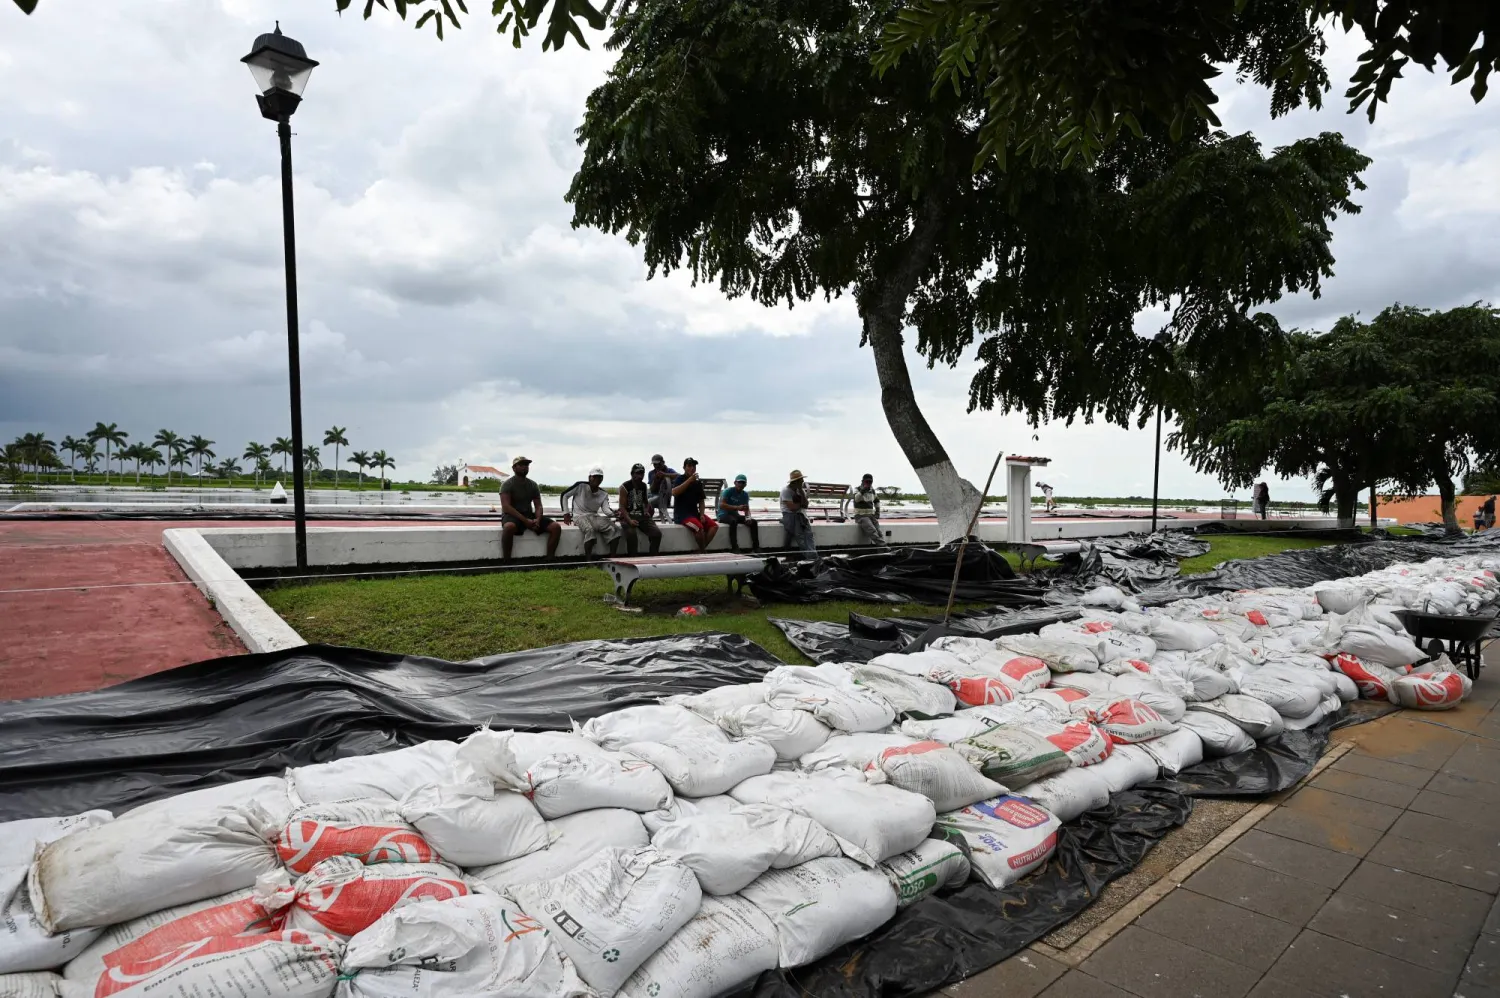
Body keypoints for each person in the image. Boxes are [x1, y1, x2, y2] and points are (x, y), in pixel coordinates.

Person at [500, 455, 561, 559]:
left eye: (526, 465)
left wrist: (537, 519)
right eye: (521, 465)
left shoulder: (533, 485)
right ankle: (507, 561)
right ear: (514, 468)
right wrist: (525, 521)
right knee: (509, 527)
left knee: (556, 527)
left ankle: (550, 559)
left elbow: (538, 506)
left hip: (528, 515)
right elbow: (506, 507)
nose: (525, 467)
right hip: (512, 516)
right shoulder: (507, 484)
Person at [562, 466, 623, 557]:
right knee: (590, 530)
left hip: (594, 516)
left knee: (615, 529)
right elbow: (564, 495)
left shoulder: (603, 494)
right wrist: (566, 513)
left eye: (599, 477)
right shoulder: (580, 486)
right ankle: (589, 560)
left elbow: (606, 510)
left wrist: (615, 514)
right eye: (594, 477)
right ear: (589, 477)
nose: (596, 479)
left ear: (602, 479)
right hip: (579, 516)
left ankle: (612, 557)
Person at [671, 457, 718, 550]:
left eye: (693, 466)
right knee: (699, 528)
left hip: (694, 514)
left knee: (714, 526)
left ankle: (701, 550)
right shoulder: (679, 479)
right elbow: (674, 492)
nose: (692, 468)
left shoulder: (697, 483)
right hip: (682, 515)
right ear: (684, 468)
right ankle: (702, 552)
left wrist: (701, 514)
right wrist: (689, 480)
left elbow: (701, 501)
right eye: (689, 466)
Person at [618, 462, 662, 554]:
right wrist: (629, 520)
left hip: (641, 515)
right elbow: (622, 507)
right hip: (627, 516)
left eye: (642, 473)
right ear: (632, 474)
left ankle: (654, 556)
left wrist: (646, 510)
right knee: (632, 534)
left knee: (657, 533)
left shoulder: (643, 486)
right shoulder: (624, 487)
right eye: (637, 473)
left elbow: (646, 502)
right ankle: (633, 558)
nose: (640, 476)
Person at [780, 469, 820, 566]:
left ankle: (813, 554)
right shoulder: (786, 491)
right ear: (795, 482)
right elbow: (792, 508)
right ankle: (808, 556)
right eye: (800, 480)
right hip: (789, 513)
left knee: (808, 534)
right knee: (799, 534)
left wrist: (801, 492)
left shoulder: (800, 490)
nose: (802, 482)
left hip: (800, 514)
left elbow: (805, 505)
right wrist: (801, 504)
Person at [716, 474, 760, 552]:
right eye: (739, 482)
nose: (741, 484)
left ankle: (756, 547)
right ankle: (734, 547)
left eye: (743, 483)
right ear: (735, 483)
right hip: (723, 514)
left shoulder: (745, 495)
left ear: (745, 484)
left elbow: (746, 508)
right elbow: (722, 505)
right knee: (733, 521)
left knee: (753, 522)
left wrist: (748, 517)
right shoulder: (728, 491)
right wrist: (737, 507)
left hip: (734, 514)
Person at [849, 473, 886, 546]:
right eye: (867, 481)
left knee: (878, 531)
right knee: (872, 530)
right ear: (862, 481)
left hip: (871, 515)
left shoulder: (872, 491)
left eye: (870, 482)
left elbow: (876, 501)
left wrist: (877, 512)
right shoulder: (857, 489)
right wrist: (863, 490)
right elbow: (857, 499)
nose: (868, 483)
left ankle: (881, 547)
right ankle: (883, 546)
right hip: (861, 516)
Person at [647, 454, 678, 523]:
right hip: (653, 496)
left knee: (648, 502)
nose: (657, 466)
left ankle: (647, 520)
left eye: (658, 464)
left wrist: (664, 475)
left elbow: (678, 476)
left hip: (664, 499)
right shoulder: (651, 473)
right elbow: (651, 490)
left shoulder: (669, 470)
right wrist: (655, 480)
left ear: (663, 462)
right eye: (655, 464)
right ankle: (646, 519)